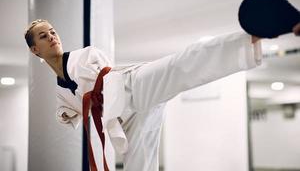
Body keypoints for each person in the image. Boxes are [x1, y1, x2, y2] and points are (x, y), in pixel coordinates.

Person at [24, 19, 300, 171]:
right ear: (35, 50)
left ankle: (252, 37)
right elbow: (68, 114)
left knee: (180, 64)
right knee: (140, 167)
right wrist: (65, 113)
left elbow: (104, 81)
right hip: (129, 120)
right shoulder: (61, 93)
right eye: (43, 36)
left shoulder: (84, 55)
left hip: (132, 86)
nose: (51, 36)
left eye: (52, 31)